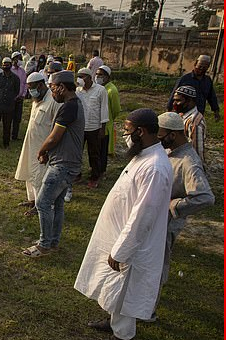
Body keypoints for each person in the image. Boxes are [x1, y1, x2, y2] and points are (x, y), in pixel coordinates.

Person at [74, 108, 173, 340]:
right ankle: (112, 321)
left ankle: (122, 334)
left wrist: (122, 250)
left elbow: (143, 216)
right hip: (119, 235)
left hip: (133, 246)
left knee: (126, 294)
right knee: (115, 290)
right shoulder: (143, 156)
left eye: (128, 131)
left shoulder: (155, 167)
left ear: (141, 131)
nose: (125, 135)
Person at [150, 112, 214, 321]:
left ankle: (148, 310)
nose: (157, 139)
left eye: (160, 135)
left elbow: (205, 197)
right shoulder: (170, 151)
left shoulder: (189, 162)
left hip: (168, 222)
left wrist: (174, 206)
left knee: (157, 264)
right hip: (155, 218)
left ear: (174, 134)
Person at [21, 70, 84, 257]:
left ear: (62, 87)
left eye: (53, 88)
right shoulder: (74, 104)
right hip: (67, 162)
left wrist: (42, 151)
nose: (52, 92)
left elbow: (55, 136)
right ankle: (53, 241)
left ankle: (44, 245)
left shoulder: (68, 107)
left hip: (63, 164)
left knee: (42, 202)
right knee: (57, 204)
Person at [14, 72, 62, 216]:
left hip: (43, 147)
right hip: (30, 143)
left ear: (41, 85)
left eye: (32, 87)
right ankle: (32, 199)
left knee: (39, 176)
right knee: (29, 172)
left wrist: (48, 149)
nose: (31, 91)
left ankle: (40, 205)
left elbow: (56, 127)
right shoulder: (36, 100)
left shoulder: (53, 101)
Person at [76, 67, 109, 189]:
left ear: (89, 77)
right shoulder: (77, 91)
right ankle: (77, 174)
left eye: (82, 76)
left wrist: (102, 128)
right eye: (79, 76)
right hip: (80, 127)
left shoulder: (100, 90)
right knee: (77, 152)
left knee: (94, 154)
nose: (80, 79)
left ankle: (94, 177)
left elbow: (104, 109)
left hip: (94, 128)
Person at [167, 55, 220, 121]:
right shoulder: (185, 79)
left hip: (199, 114)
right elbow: (174, 95)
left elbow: (212, 97)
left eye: (204, 68)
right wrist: (169, 110)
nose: (201, 69)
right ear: (195, 64)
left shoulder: (207, 81)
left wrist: (216, 111)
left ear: (208, 68)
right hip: (184, 114)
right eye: (200, 66)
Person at [0, 57, 20, 150]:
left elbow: (16, 91)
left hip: (9, 106)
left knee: (7, 127)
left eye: (7, 64)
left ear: (11, 65)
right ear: (2, 65)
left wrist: (10, 97)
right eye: (4, 64)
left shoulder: (15, 78)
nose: (5, 66)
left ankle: (6, 144)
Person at [96, 65, 121, 177]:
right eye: (96, 74)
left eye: (100, 75)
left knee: (103, 151)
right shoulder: (98, 88)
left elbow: (116, 109)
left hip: (106, 125)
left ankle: (101, 171)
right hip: (96, 124)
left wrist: (110, 119)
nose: (97, 77)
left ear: (107, 77)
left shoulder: (112, 90)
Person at [171, 85, 206, 164]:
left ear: (190, 101)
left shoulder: (195, 122)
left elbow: (197, 151)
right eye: (174, 100)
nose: (174, 104)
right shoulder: (181, 115)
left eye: (178, 100)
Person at [10, 52, 27, 140]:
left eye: (20, 59)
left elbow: (24, 84)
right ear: (13, 59)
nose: (18, 61)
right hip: (11, 98)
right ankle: (7, 135)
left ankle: (14, 136)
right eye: (17, 58)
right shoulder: (10, 71)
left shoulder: (22, 71)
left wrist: (23, 94)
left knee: (17, 118)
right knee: (9, 117)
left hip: (20, 98)